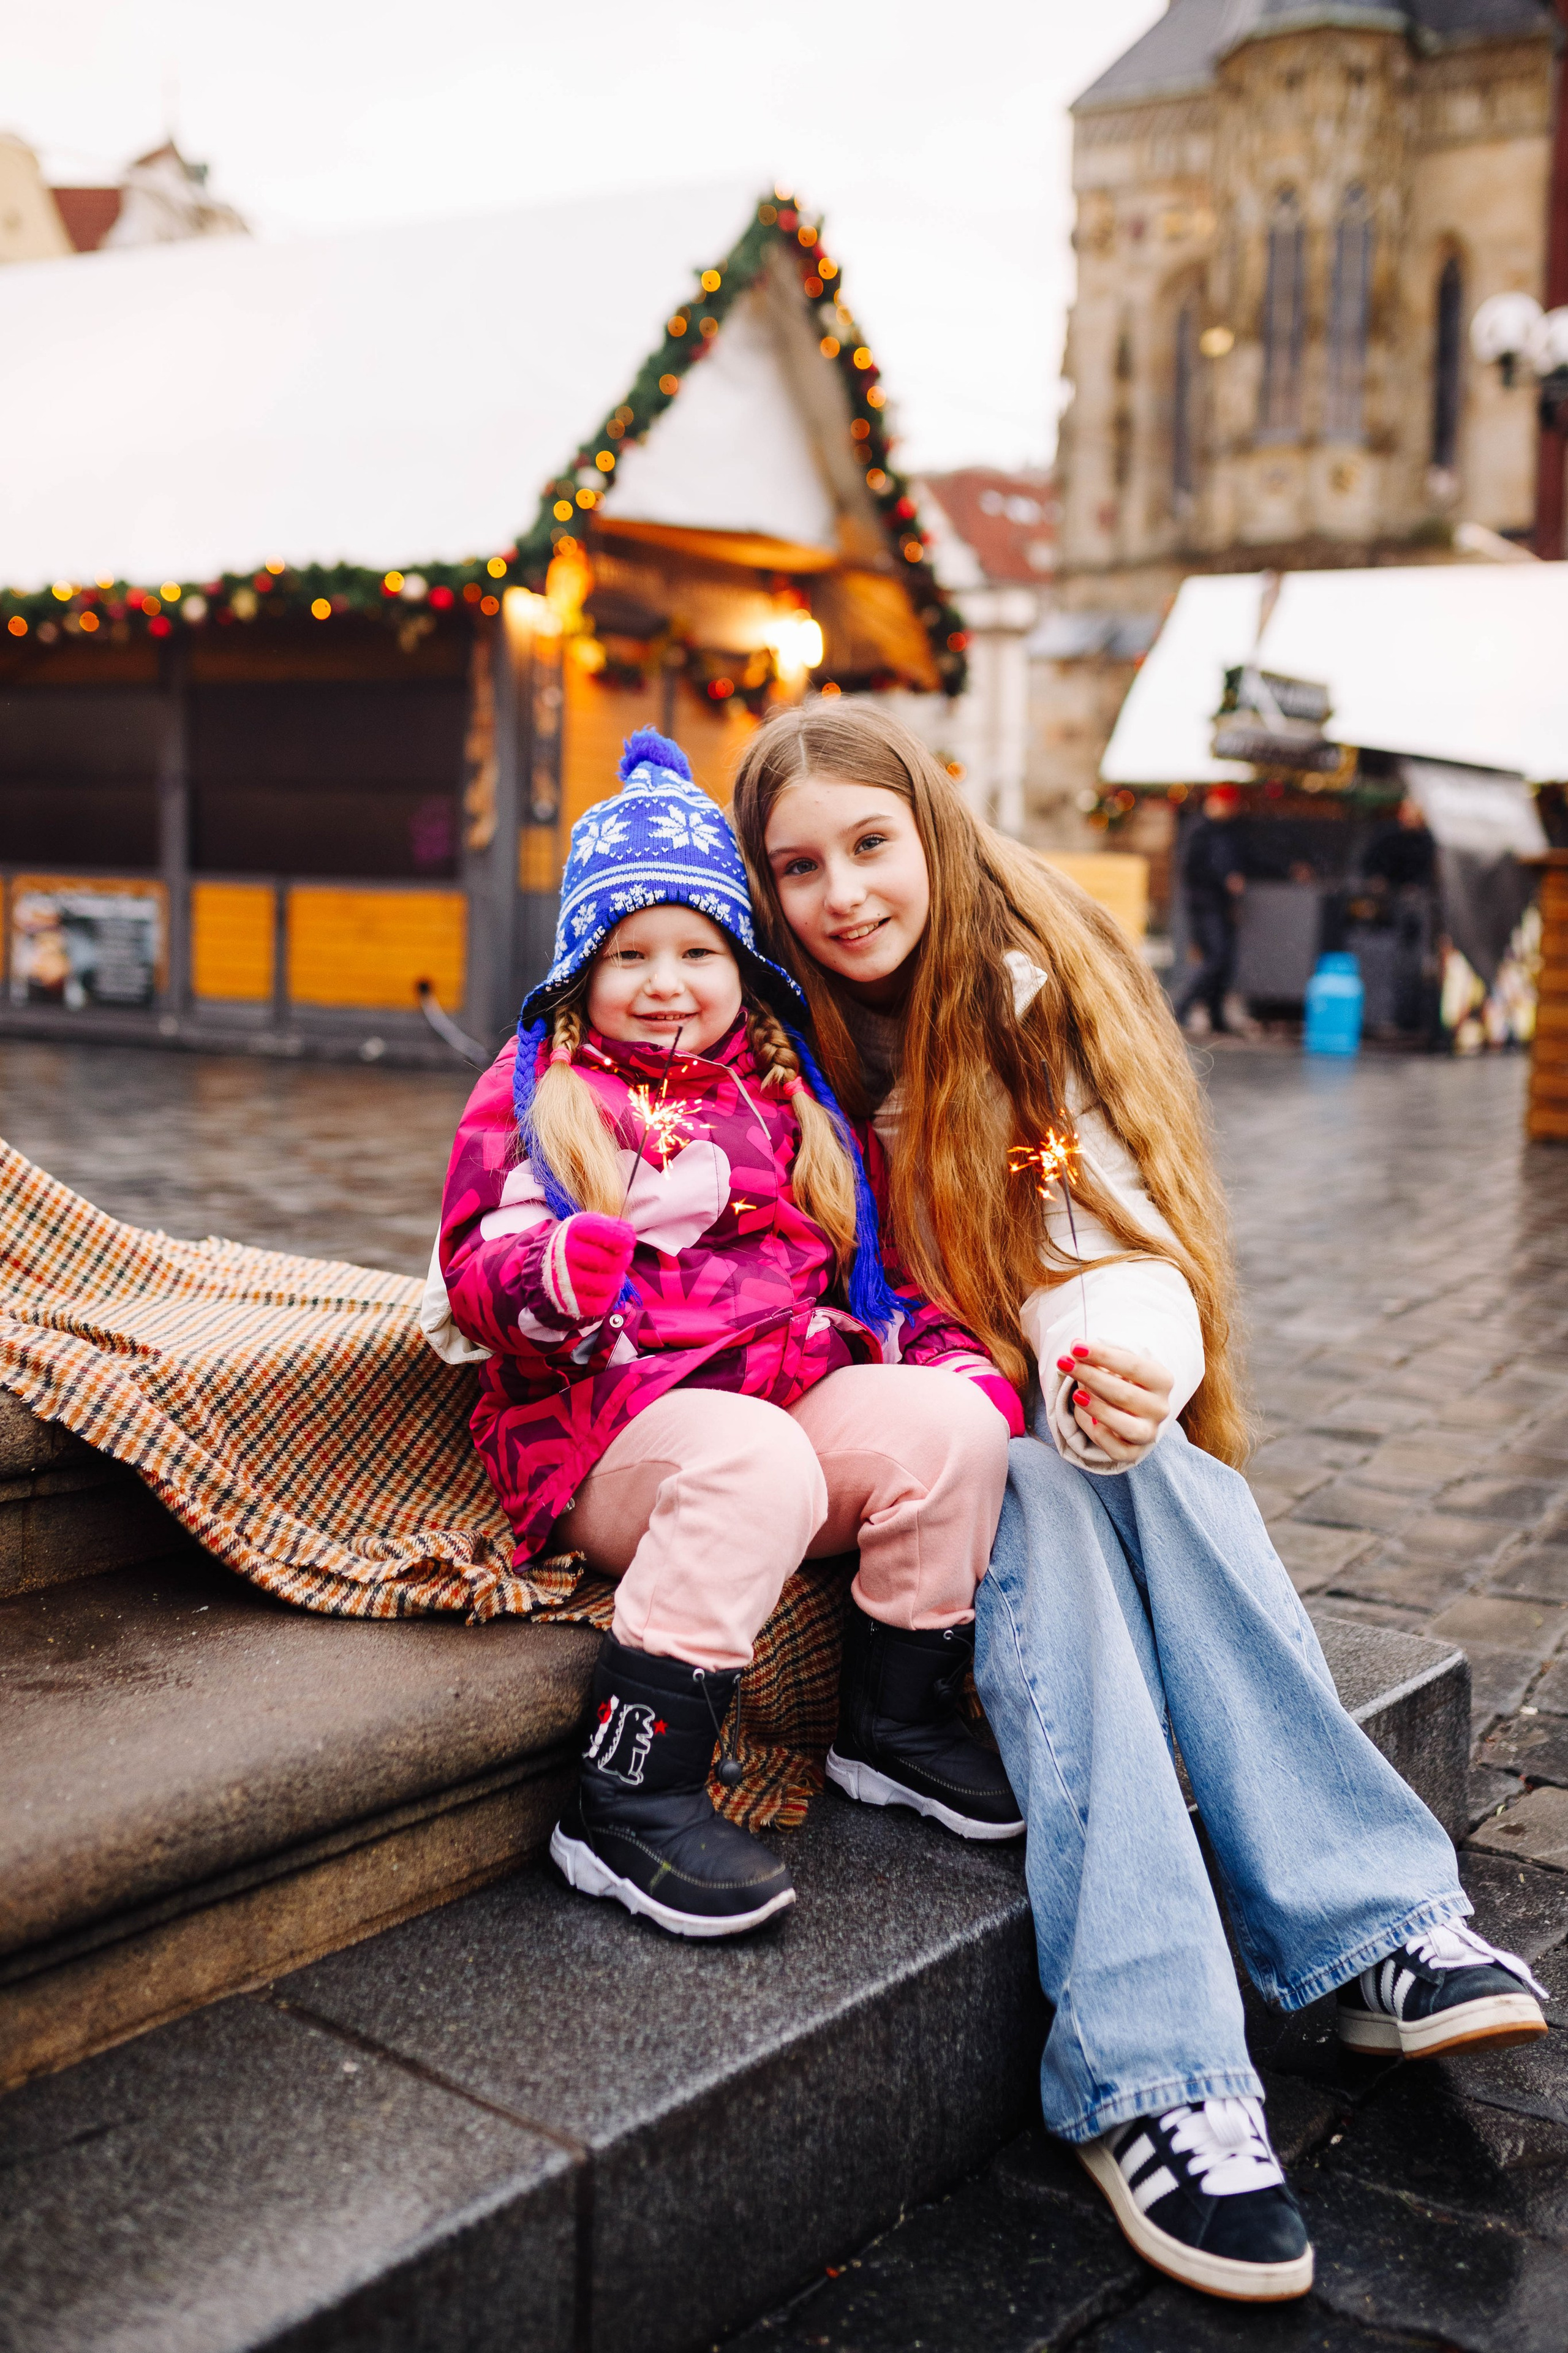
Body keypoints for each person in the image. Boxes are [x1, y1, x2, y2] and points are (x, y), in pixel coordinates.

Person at [730, 702, 1547, 2305]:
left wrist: (1111, 1355)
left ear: (937, 831)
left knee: (1124, 1458)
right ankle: (1154, 2072)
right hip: (844, 1423)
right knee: (1022, 1477)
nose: (842, 893)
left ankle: (1371, 1924)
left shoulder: (1018, 1010)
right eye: (798, 865)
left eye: (870, 844)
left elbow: (1085, 1210)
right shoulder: (760, 1030)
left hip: (995, 1399)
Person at [432, 729, 1022, 1943]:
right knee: (753, 1454)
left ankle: (896, 1724)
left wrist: (944, 1355)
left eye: (697, 950)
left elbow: (869, 1270)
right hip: (610, 1429)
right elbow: (477, 1267)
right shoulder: (543, 1092)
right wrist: (558, 1273)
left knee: (949, 1427)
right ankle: (626, 1788)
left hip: (779, 1395)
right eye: (628, 953)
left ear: (741, 965)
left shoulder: (783, 1096)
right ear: (578, 973)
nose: (665, 981)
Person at [1172, 785, 1254, 1038]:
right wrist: (1223, 880)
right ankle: (1180, 1008)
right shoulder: (1200, 830)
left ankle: (1216, 1014)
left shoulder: (1226, 832)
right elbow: (1192, 868)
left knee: (1224, 961)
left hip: (1221, 905)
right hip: (1205, 905)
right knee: (1214, 958)